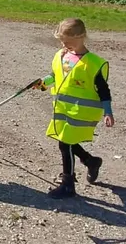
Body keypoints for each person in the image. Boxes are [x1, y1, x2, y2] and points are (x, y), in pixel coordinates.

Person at [33, 18, 114, 199]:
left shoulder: (93, 63)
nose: (64, 45)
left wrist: (108, 112)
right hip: (62, 108)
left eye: (67, 41)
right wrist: (43, 83)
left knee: (65, 144)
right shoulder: (62, 55)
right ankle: (90, 161)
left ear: (81, 37)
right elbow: (57, 76)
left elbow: (103, 90)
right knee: (65, 142)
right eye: (62, 41)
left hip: (81, 112)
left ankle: (68, 185)